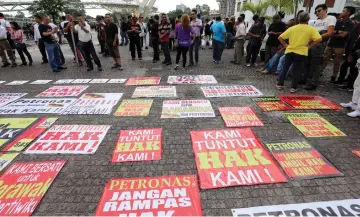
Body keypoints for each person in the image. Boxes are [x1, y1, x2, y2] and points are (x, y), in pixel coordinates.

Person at [277, 12, 322, 93]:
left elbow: (280, 37)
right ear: (308, 20)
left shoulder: (292, 28)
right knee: (297, 70)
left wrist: (286, 45)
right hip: (301, 52)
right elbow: (319, 39)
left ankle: (280, 84)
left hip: (290, 50)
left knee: (285, 68)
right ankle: (293, 87)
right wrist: (309, 46)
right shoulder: (311, 29)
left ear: (298, 19)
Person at [304, 4, 336, 90]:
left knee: (315, 64)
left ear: (325, 10)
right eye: (316, 11)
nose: (317, 13)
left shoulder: (330, 18)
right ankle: (306, 80)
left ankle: (313, 83)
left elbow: (330, 33)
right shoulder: (317, 21)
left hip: (320, 44)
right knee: (308, 62)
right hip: (312, 43)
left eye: (319, 10)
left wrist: (317, 38)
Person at [320, 6, 355, 83]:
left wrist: (334, 33)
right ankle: (319, 73)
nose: (341, 12)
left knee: (337, 62)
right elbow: (330, 31)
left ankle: (334, 76)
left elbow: (344, 35)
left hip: (340, 46)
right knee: (325, 59)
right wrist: (338, 32)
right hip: (330, 44)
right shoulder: (337, 21)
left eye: (343, 11)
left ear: (348, 13)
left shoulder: (350, 23)